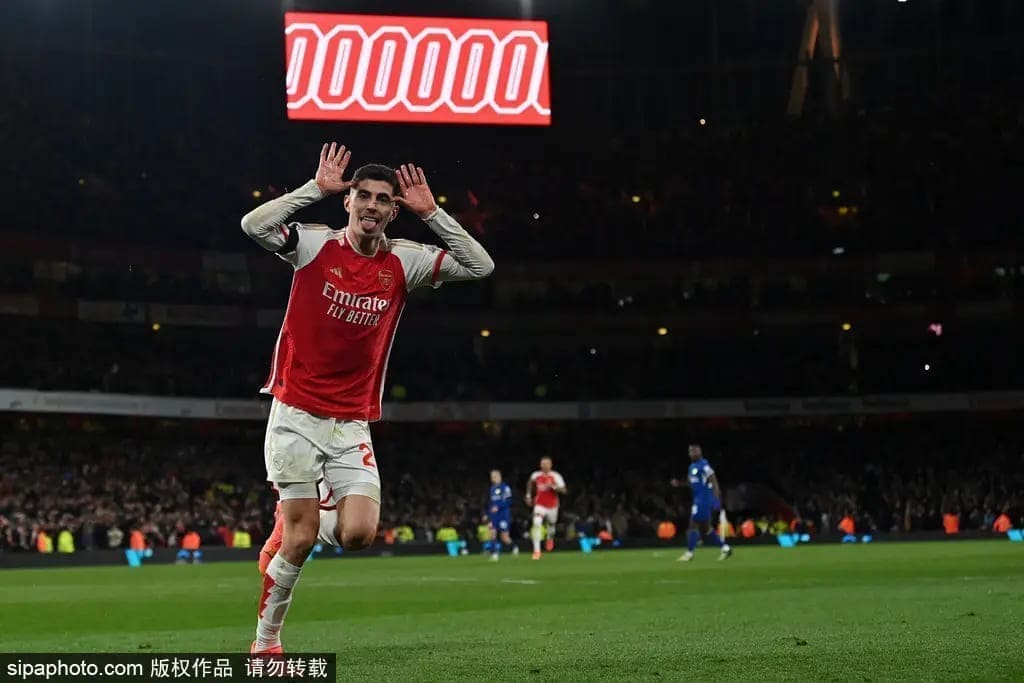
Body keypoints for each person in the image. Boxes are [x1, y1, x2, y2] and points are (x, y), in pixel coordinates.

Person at [241, 142, 495, 655]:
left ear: (393, 210)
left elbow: (480, 266)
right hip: (295, 413)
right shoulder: (314, 244)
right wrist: (313, 188)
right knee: (300, 540)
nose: (372, 205)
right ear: (348, 201)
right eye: (364, 195)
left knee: (358, 534)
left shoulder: (405, 260)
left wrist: (433, 213)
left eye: (383, 199)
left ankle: (302, 516)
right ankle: (266, 643)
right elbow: (253, 225)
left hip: (351, 421)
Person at [675, 444, 732, 562]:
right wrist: (679, 484)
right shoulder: (691, 467)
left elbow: (714, 482)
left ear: (700, 452)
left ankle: (689, 553)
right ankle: (725, 548)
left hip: (704, 499)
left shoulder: (704, 465)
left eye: (694, 451)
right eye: (690, 451)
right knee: (706, 529)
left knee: (693, 524)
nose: (692, 453)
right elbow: (691, 483)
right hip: (698, 499)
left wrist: (716, 500)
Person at [525, 456, 566, 560]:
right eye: (543, 464)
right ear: (540, 465)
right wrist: (528, 495)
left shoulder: (555, 476)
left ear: (551, 465)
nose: (545, 466)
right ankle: (536, 551)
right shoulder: (536, 475)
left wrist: (555, 487)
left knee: (551, 524)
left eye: (547, 464)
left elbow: (564, 490)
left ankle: (550, 537)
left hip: (552, 506)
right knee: (537, 523)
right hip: (540, 505)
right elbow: (529, 482)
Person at [485, 470, 516, 561]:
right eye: (492, 477)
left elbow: (509, 501)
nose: (493, 479)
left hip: (503, 515)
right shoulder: (492, 489)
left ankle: (514, 547)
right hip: (494, 516)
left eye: (495, 476)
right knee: (492, 533)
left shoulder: (505, 488)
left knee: (504, 537)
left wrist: (498, 507)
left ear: (499, 477)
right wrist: (488, 514)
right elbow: (491, 503)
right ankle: (494, 554)